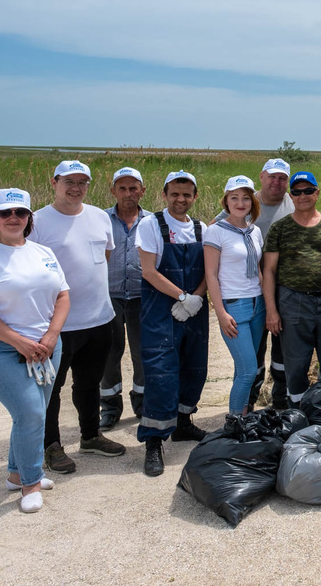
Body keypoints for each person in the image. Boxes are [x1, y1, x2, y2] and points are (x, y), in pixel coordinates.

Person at [0, 189, 69, 513]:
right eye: (5, 212)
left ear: (29, 218)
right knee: (31, 413)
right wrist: (20, 342)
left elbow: (63, 295)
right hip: (0, 349)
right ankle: (31, 483)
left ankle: (15, 472)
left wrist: (51, 336)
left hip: (47, 347)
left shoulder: (43, 253)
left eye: (20, 213)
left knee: (31, 413)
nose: (13, 218)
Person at [31, 160, 124, 475]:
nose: (76, 188)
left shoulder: (99, 217)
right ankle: (51, 446)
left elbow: (104, 258)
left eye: (82, 182)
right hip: (57, 324)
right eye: (69, 181)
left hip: (99, 319)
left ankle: (90, 435)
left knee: (89, 383)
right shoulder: (37, 222)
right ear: (53, 182)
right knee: (50, 388)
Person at [136, 170, 211, 477]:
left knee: (194, 366)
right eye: (175, 193)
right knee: (161, 372)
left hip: (194, 308)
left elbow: (211, 269)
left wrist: (195, 298)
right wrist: (181, 297)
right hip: (161, 309)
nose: (181, 199)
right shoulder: (150, 224)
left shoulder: (200, 227)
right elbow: (148, 271)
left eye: (187, 194)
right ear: (165, 194)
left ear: (194, 197)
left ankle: (182, 423)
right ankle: (154, 440)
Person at [262, 171, 321, 406]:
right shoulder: (279, 229)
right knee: (296, 363)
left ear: (317, 193)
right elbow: (270, 271)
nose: (302, 195)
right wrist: (271, 310)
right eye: (296, 191)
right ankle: (299, 414)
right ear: (291, 196)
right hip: (293, 302)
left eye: (307, 191)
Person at [215, 158, 294, 411]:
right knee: (253, 357)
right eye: (272, 176)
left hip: (282, 290)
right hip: (245, 296)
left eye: (282, 178)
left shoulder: (294, 204)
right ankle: (246, 405)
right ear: (262, 176)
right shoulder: (244, 202)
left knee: (282, 352)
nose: (277, 182)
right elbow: (215, 242)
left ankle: (279, 402)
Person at [204, 176, 266, 415]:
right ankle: (234, 422)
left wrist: (267, 305)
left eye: (245, 198)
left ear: (252, 201)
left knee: (246, 370)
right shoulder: (216, 231)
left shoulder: (255, 231)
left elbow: (258, 271)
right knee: (249, 370)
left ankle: (243, 415)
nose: (240, 203)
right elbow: (211, 276)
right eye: (234, 198)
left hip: (257, 304)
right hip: (234, 307)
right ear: (226, 201)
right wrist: (220, 313)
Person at [100, 166, 150, 430]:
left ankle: (142, 402)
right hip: (109, 295)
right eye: (122, 188)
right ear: (113, 191)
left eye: (134, 188)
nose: (128, 193)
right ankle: (109, 406)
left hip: (143, 295)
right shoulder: (100, 220)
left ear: (143, 190)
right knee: (109, 352)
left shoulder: (153, 221)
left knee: (143, 351)